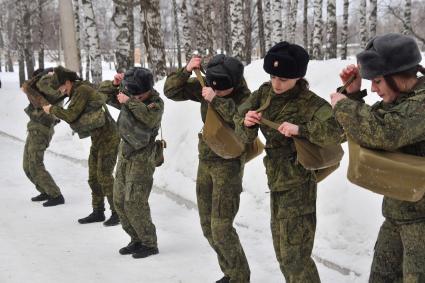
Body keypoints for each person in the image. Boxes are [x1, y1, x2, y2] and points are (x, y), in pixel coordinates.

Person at [234, 42, 344, 282]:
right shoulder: (264, 94)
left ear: (297, 77)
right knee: (283, 253)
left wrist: (302, 130)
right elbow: (238, 122)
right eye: (273, 76)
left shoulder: (310, 103)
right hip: (276, 181)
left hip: (299, 184)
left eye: (283, 79)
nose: (276, 84)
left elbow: (340, 131)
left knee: (296, 256)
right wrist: (247, 123)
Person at [330, 33, 425, 282]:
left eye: (378, 81)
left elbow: (383, 132)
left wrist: (344, 106)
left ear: (398, 75)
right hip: (397, 213)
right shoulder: (402, 100)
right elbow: (356, 130)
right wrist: (352, 95)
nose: (373, 89)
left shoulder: (421, 104)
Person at [164, 55, 251, 283]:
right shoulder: (209, 85)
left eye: (223, 90)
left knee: (221, 227)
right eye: (214, 87)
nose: (217, 91)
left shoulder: (245, 96)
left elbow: (241, 121)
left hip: (228, 164)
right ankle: (230, 272)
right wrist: (186, 70)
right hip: (207, 159)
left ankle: (240, 277)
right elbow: (171, 92)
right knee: (207, 225)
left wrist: (217, 100)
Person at [98, 67, 164, 259]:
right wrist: (114, 85)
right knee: (119, 200)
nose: (135, 96)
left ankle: (149, 243)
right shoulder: (130, 97)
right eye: (132, 93)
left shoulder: (155, 103)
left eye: (139, 94)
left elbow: (148, 119)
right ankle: (136, 239)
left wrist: (130, 101)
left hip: (142, 158)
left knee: (135, 201)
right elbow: (101, 96)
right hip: (125, 153)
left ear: (148, 90)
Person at [42, 66, 120, 226]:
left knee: (104, 175)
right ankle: (98, 211)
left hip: (109, 136)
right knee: (93, 177)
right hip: (98, 138)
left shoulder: (82, 90)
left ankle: (117, 213)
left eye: (62, 87)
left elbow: (71, 115)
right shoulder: (78, 89)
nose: (62, 91)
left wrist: (52, 109)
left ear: (68, 82)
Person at [23, 68, 65, 207]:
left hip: (41, 130)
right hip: (34, 127)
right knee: (27, 166)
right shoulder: (40, 91)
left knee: (35, 164)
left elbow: (32, 86)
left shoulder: (51, 88)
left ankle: (56, 195)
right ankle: (45, 190)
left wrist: (43, 76)